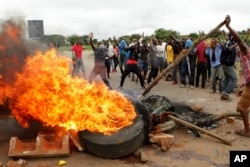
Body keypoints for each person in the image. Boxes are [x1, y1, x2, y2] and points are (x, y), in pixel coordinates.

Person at [224, 15, 250, 137]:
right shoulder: (245, 52)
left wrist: (228, 26)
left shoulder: (245, 51)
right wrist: (243, 86)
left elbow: (239, 40)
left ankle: (247, 131)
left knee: (241, 107)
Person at [220, 32, 238, 100]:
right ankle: (226, 93)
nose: (237, 38)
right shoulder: (229, 43)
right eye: (236, 37)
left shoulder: (229, 42)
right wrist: (236, 44)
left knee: (227, 78)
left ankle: (223, 93)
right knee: (234, 79)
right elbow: (226, 50)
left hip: (226, 64)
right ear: (233, 37)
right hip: (227, 65)